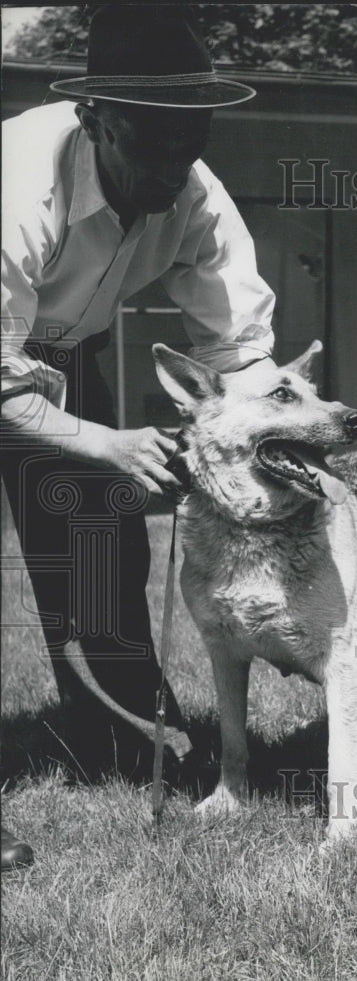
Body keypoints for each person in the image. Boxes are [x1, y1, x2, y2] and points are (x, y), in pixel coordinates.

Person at [1, 7, 276, 866]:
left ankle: (127, 737)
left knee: (98, 552)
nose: (170, 172)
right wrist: (107, 443)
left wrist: (245, 452)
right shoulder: (16, 188)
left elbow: (240, 354)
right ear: (96, 120)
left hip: (61, 347)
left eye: (186, 146)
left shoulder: (193, 192)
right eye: (148, 147)